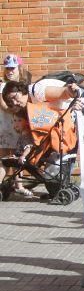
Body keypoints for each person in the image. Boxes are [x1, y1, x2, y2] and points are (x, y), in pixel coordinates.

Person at [1, 55, 32, 194]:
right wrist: (18, 109)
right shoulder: (2, 86)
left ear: (19, 68)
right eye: (7, 68)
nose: (10, 71)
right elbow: (4, 107)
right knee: (5, 158)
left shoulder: (23, 86)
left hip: (18, 126)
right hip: (6, 125)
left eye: (12, 68)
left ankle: (18, 185)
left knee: (17, 156)